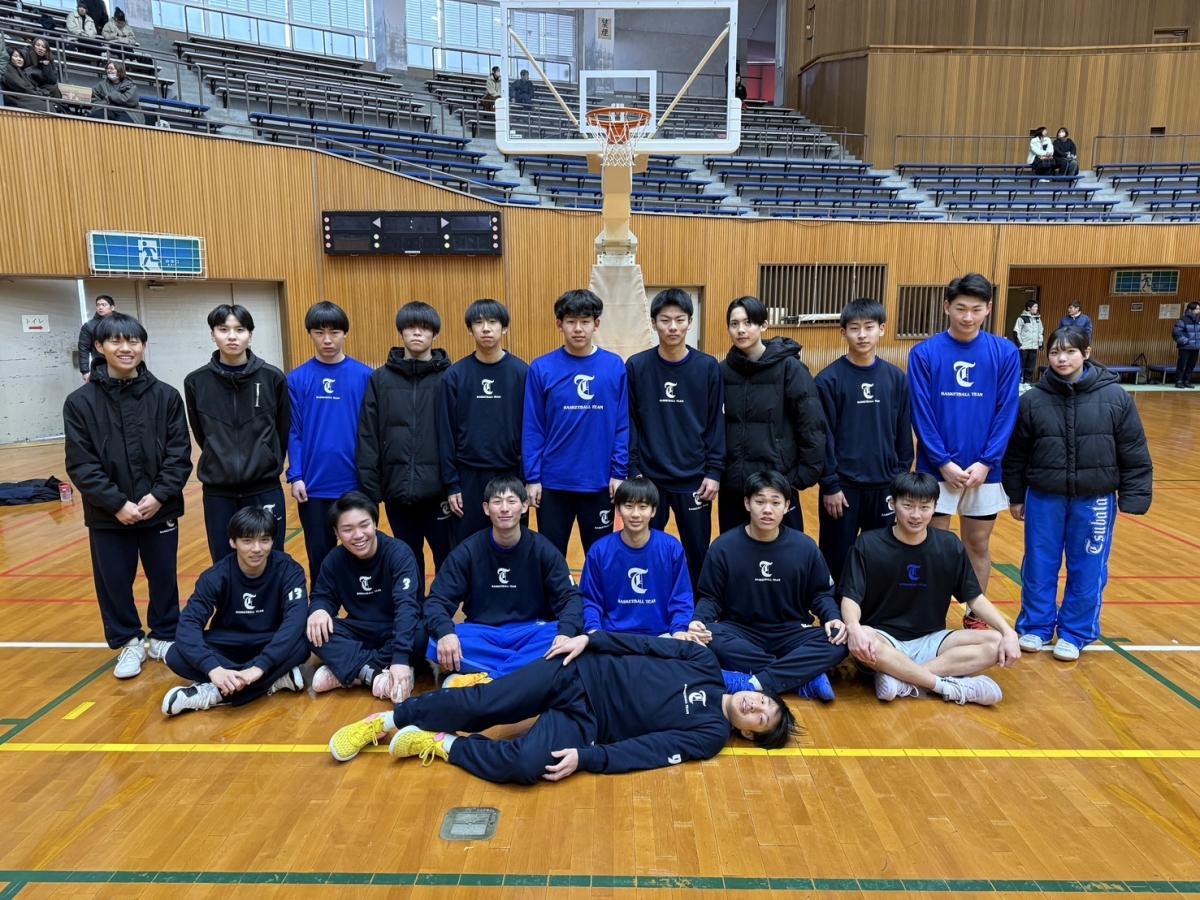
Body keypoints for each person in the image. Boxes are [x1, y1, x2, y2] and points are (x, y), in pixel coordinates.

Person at [327, 631, 797, 783]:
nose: (756, 705)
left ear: (749, 733)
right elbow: (643, 644)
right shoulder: (704, 661)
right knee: (486, 705)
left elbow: (649, 751)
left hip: (587, 722)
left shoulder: (710, 736)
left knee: (528, 767)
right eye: (764, 702)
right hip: (577, 671)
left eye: (761, 718)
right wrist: (588, 639)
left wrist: (586, 758)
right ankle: (386, 720)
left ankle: (437, 743)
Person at [1003, 327, 1153, 660]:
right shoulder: (1032, 401)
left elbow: (1133, 448)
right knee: (1039, 563)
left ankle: (1075, 632)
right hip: (1044, 496)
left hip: (1095, 499)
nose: (1062, 359)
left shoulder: (1114, 397)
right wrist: (1016, 495)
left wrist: (1135, 495)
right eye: (1055, 352)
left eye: (1070, 351)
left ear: (1086, 353)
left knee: (1088, 566)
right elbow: (1016, 454)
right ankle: (1035, 626)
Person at [63, 312, 193, 679]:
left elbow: (179, 453)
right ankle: (128, 641)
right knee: (114, 581)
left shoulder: (166, 396)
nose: (126, 348)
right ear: (100, 346)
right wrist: (117, 503)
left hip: (159, 509)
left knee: (163, 576)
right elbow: (81, 463)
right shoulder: (79, 403)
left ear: (143, 345)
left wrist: (159, 496)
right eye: (116, 341)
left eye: (133, 340)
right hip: (108, 515)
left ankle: (164, 635)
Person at [839, 472, 1019, 705]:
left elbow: (975, 598)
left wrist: (1008, 632)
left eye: (924, 507)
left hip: (933, 640)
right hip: (884, 640)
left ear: (935, 507)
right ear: (892, 504)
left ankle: (904, 679)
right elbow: (850, 597)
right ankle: (943, 685)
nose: (916, 515)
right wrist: (853, 627)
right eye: (908, 506)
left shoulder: (949, 545)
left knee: (996, 641)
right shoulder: (868, 544)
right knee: (863, 637)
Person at [908, 273, 1019, 628]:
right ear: (947, 307)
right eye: (960, 308)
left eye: (975, 309)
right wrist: (943, 462)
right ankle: (931, 616)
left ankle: (975, 617)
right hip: (936, 471)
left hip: (985, 472)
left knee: (978, 544)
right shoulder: (924, 353)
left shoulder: (1005, 352)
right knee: (933, 545)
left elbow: (1006, 411)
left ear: (988, 309)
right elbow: (921, 412)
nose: (967, 317)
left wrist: (986, 462)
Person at [696, 470, 848, 702]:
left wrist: (832, 617)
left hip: (792, 631)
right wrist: (699, 620)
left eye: (775, 502)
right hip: (741, 631)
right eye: (760, 502)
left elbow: (821, 594)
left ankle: (755, 681)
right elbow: (710, 597)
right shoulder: (723, 547)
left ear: (786, 506)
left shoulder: (805, 547)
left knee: (840, 640)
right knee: (710, 635)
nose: (767, 509)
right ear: (747, 503)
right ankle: (803, 677)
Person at [425, 476, 582, 685]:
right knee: (435, 642)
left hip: (530, 632)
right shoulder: (468, 551)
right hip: (483, 633)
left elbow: (571, 598)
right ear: (486, 508)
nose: (505, 509)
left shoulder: (543, 549)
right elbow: (437, 600)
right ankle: (526, 675)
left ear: (524, 506)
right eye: (497, 502)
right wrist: (446, 633)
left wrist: (566, 633)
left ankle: (489, 680)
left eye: (511, 501)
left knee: (562, 635)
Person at [161, 508, 309, 715]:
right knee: (175, 653)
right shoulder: (215, 576)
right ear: (233, 542)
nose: (256, 549)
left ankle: (215, 693)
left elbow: (295, 621)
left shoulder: (289, 570)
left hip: (269, 640)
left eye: (264, 540)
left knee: (303, 643)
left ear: (272, 541)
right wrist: (214, 669)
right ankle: (272, 680)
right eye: (247, 541)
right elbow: (188, 625)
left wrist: (259, 667)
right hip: (228, 643)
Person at [625, 288, 724, 588]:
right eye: (665, 320)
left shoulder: (707, 367)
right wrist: (634, 470)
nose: (672, 327)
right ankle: (649, 599)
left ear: (690, 322)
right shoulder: (637, 366)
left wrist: (714, 471)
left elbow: (715, 423)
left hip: (694, 479)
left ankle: (697, 606)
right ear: (653, 322)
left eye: (679, 320)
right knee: (644, 549)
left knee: (697, 552)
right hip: (650, 478)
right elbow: (630, 423)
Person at [523, 289, 628, 557]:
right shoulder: (541, 368)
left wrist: (619, 473)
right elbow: (533, 427)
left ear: (596, 323)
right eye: (571, 321)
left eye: (585, 321)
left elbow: (621, 425)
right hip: (553, 483)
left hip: (599, 482)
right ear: (559, 324)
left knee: (600, 556)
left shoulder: (614, 366)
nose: (578, 329)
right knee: (550, 557)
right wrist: (533, 478)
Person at [815, 297, 913, 584]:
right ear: (842, 332)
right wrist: (830, 484)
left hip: (885, 486)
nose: (862, 334)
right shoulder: (828, 380)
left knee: (881, 558)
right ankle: (835, 608)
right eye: (854, 328)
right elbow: (822, 438)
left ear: (882, 329)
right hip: (842, 490)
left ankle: (874, 608)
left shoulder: (895, 378)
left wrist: (900, 481)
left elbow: (903, 433)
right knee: (836, 558)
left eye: (869, 327)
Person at [357, 301, 452, 594]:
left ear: (435, 333)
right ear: (401, 332)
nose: (417, 333)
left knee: (446, 557)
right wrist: (371, 489)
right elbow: (368, 434)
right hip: (397, 491)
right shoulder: (380, 379)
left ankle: (441, 610)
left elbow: (459, 435)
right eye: (411, 327)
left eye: (424, 328)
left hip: (439, 492)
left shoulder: (450, 377)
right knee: (406, 559)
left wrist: (453, 484)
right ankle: (412, 609)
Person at [184, 303, 290, 563]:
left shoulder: (272, 378)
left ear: (250, 335)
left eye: (240, 329)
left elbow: (282, 430)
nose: (232, 336)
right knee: (223, 561)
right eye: (223, 329)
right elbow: (201, 432)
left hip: (264, 487)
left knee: (271, 558)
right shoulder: (196, 382)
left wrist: (267, 460)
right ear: (213, 335)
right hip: (218, 492)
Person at [719, 295, 824, 534]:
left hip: (777, 486)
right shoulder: (722, 371)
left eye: (748, 322)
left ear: (764, 325)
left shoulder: (790, 368)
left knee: (784, 552)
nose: (741, 330)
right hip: (734, 487)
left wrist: (800, 477)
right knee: (734, 551)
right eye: (734, 324)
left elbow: (811, 425)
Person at [307, 492, 423, 701]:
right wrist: (319, 609)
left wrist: (400, 659)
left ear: (375, 523)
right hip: (360, 630)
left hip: (394, 627)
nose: (358, 535)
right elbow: (323, 595)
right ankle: (371, 673)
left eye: (364, 525)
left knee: (422, 634)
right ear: (336, 532)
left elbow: (407, 606)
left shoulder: (399, 553)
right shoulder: (335, 559)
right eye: (348, 529)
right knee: (311, 628)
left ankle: (347, 670)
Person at [287, 300, 372, 582]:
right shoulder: (297, 379)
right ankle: (322, 605)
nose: (327, 340)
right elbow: (294, 431)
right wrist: (296, 475)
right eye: (319, 332)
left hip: (355, 484)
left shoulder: (365, 376)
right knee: (319, 557)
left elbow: (372, 432)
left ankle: (361, 603)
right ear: (309, 334)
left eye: (334, 332)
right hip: (313, 487)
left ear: (345, 333)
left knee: (360, 553)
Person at [437, 298, 527, 545]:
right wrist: (452, 485)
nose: (486, 328)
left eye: (493, 322)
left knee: (512, 544)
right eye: (478, 323)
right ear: (470, 329)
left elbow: (531, 430)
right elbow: (446, 433)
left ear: (504, 328)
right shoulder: (455, 375)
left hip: (510, 474)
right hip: (468, 477)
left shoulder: (522, 373)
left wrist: (526, 480)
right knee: (468, 547)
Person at [580, 478, 696, 640]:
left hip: (662, 636)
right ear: (618, 510)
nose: (635, 514)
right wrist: (594, 632)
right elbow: (590, 601)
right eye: (628, 506)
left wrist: (679, 630)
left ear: (653, 510)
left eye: (643, 507)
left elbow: (681, 598)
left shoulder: (671, 548)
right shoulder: (599, 551)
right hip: (613, 637)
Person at [77, 294, 115, 381]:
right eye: (98, 305)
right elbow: (83, 348)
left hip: (122, 364)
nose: (100, 307)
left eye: (104, 305)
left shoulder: (121, 322)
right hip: (100, 366)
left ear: (112, 307)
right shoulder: (89, 326)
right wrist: (85, 371)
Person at [1, 47, 52, 112]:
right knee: (48, 107)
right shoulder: (8, 68)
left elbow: (32, 86)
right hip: (16, 99)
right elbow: (21, 87)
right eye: (16, 56)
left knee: (53, 100)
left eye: (21, 57)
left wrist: (42, 92)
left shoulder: (21, 72)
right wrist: (38, 94)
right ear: (10, 58)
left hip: (26, 97)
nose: (19, 59)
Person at [1013, 298, 1044, 386]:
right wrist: (1020, 345)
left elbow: (1041, 331)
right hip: (1024, 347)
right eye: (1035, 307)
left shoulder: (1038, 319)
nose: (1036, 308)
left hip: (1034, 347)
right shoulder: (1022, 318)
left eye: (1037, 306)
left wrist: (1040, 344)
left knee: (1030, 367)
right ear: (1029, 308)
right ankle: (1018, 383)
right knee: (1021, 366)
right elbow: (1016, 331)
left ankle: (1027, 383)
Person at [1171, 302, 1200, 389]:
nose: (1199, 310)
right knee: (1182, 365)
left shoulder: (1199, 320)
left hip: (1196, 347)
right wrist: (1185, 341)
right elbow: (1176, 332)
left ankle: (1186, 381)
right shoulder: (1183, 320)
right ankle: (1178, 381)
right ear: (1191, 310)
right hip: (1185, 347)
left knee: (1191, 365)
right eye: (1197, 309)